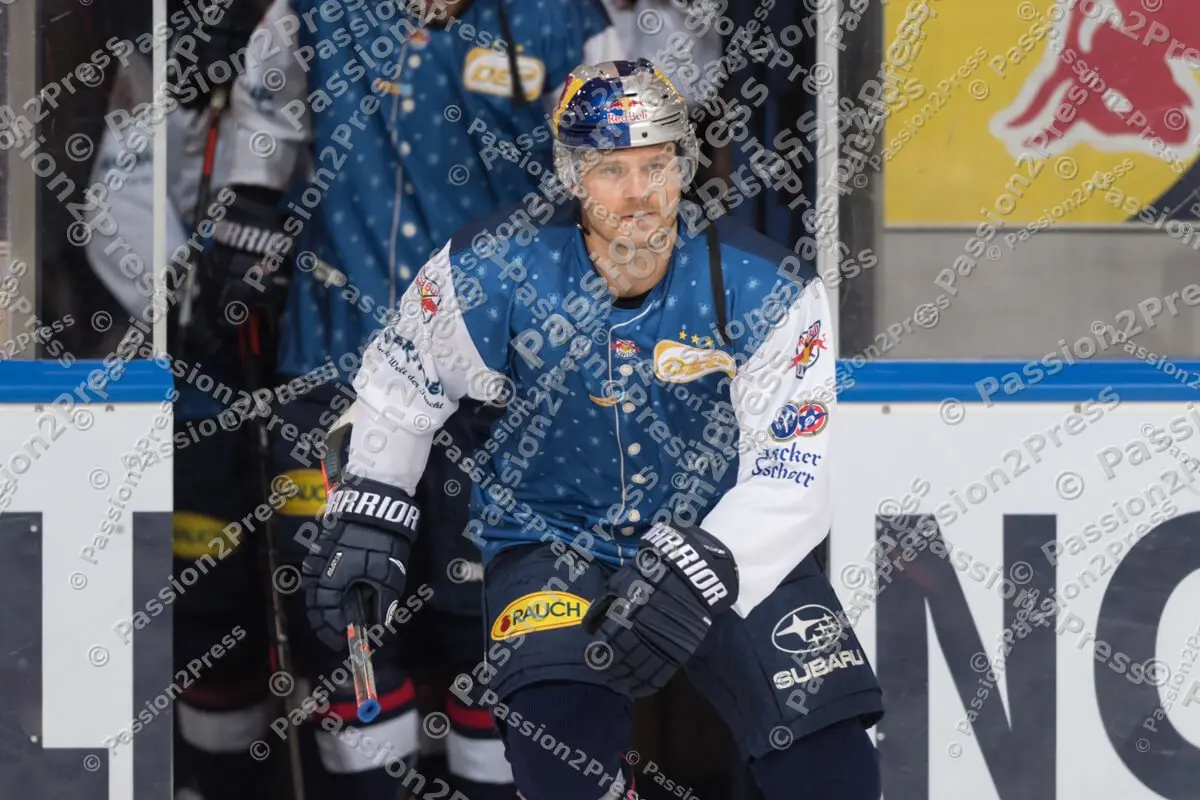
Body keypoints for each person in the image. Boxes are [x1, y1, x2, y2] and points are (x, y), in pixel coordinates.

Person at [300, 58, 885, 800]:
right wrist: (370, 511)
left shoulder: (769, 286)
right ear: (572, 174)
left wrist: (700, 565)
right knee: (560, 758)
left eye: (656, 163)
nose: (639, 192)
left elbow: (795, 474)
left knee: (831, 766)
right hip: (552, 537)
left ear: (685, 163)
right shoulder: (491, 269)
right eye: (611, 169)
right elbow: (398, 387)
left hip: (724, 540)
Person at [214, 1, 625, 796]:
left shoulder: (569, 20)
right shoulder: (313, 11)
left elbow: (619, 171)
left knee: (492, 629)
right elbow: (262, 120)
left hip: (499, 372)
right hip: (334, 353)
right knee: (344, 624)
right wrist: (247, 205)